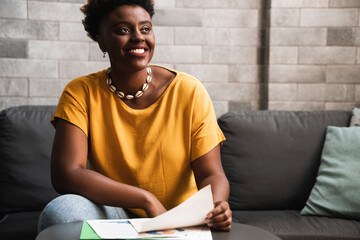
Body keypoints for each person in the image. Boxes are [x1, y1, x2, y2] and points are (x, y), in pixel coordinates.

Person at [38, 0, 232, 233]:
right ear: (101, 41)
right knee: (61, 211)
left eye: (145, 28)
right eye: (123, 30)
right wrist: (145, 199)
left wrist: (216, 206)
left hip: (180, 216)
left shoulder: (189, 91)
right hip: (114, 212)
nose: (139, 37)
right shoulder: (80, 92)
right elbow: (67, 174)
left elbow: (212, 173)